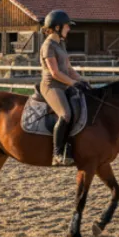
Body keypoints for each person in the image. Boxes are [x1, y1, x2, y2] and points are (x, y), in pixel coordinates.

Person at [39, 10, 89, 167]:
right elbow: (55, 73)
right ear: (57, 27)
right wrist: (73, 83)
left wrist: (82, 80)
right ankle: (57, 154)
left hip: (64, 83)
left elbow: (68, 69)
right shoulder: (48, 46)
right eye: (67, 26)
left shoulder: (60, 44)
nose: (69, 29)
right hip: (52, 85)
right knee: (65, 114)